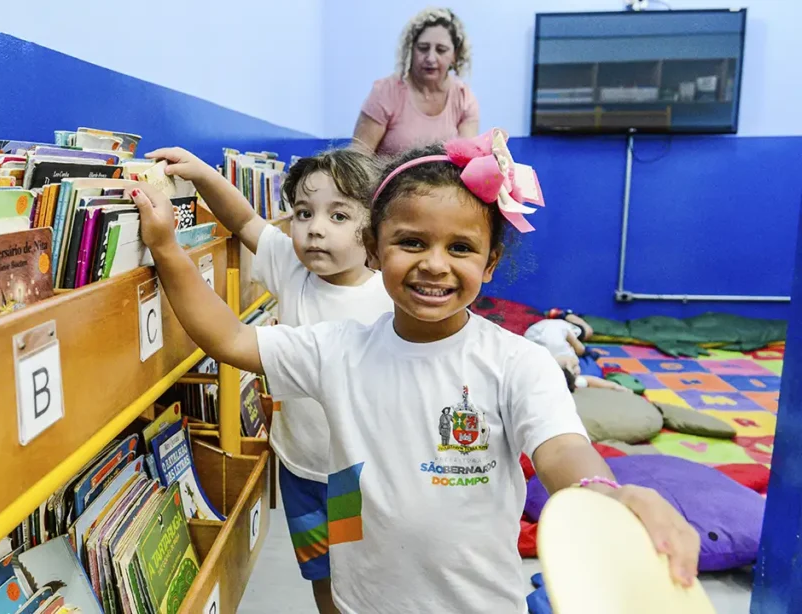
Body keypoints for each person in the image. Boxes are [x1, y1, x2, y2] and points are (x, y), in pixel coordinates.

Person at [130, 129, 700, 614]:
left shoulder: (516, 361)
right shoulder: (336, 349)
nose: (434, 263)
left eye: (460, 247)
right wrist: (165, 247)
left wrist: (604, 493)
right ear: (374, 251)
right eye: (410, 242)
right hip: (361, 596)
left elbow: (561, 449)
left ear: (490, 262)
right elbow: (229, 337)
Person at [144, 145, 393, 614]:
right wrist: (200, 175)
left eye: (339, 216)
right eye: (303, 212)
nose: (315, 228)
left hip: (359, 477)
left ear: (377, 228)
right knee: (321, 575)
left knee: (363, 580)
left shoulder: (388, 294)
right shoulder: (293, 268)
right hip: (299, 466)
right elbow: (241, 221)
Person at [353, 7, 480, 158]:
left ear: (455, 55)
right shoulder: (386, 92)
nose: (431, 58)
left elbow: (467, 161)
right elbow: (358, 159)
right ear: (411, 50)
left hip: (443, 181)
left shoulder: (464, 99)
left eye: (441, 50)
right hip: (388, 181)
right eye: (423, 48)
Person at [524, 314, 630, 391]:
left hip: (559, 326)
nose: (578, 371)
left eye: (575, 367)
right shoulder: (561, 376)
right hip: (535, 331)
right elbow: (589, 380)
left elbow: (579, 349)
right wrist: (616, 387)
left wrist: (584, 351)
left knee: (587, 332)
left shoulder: (564, 353)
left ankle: (567, 315)